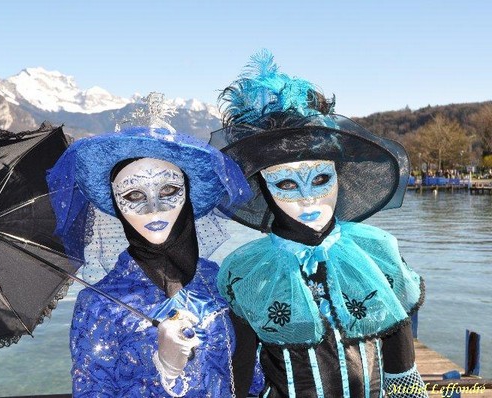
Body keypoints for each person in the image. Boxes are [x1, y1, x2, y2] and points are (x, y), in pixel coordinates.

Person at [210, 51, 427, 398]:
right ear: (265, 188)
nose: (308, 198)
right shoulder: (248, 271)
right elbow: (242, 364)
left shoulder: (376, 253)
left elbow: (399, 355)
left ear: (339, 177)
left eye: (321, 178)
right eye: (287, 184)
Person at [46, 93, 261, 397]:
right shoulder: (99, 304)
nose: (153, 208)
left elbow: (253, 381)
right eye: (133, 195)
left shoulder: (220, 281)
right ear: (116, 205)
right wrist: (165, 368)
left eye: (169, 189)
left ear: (187, 194)